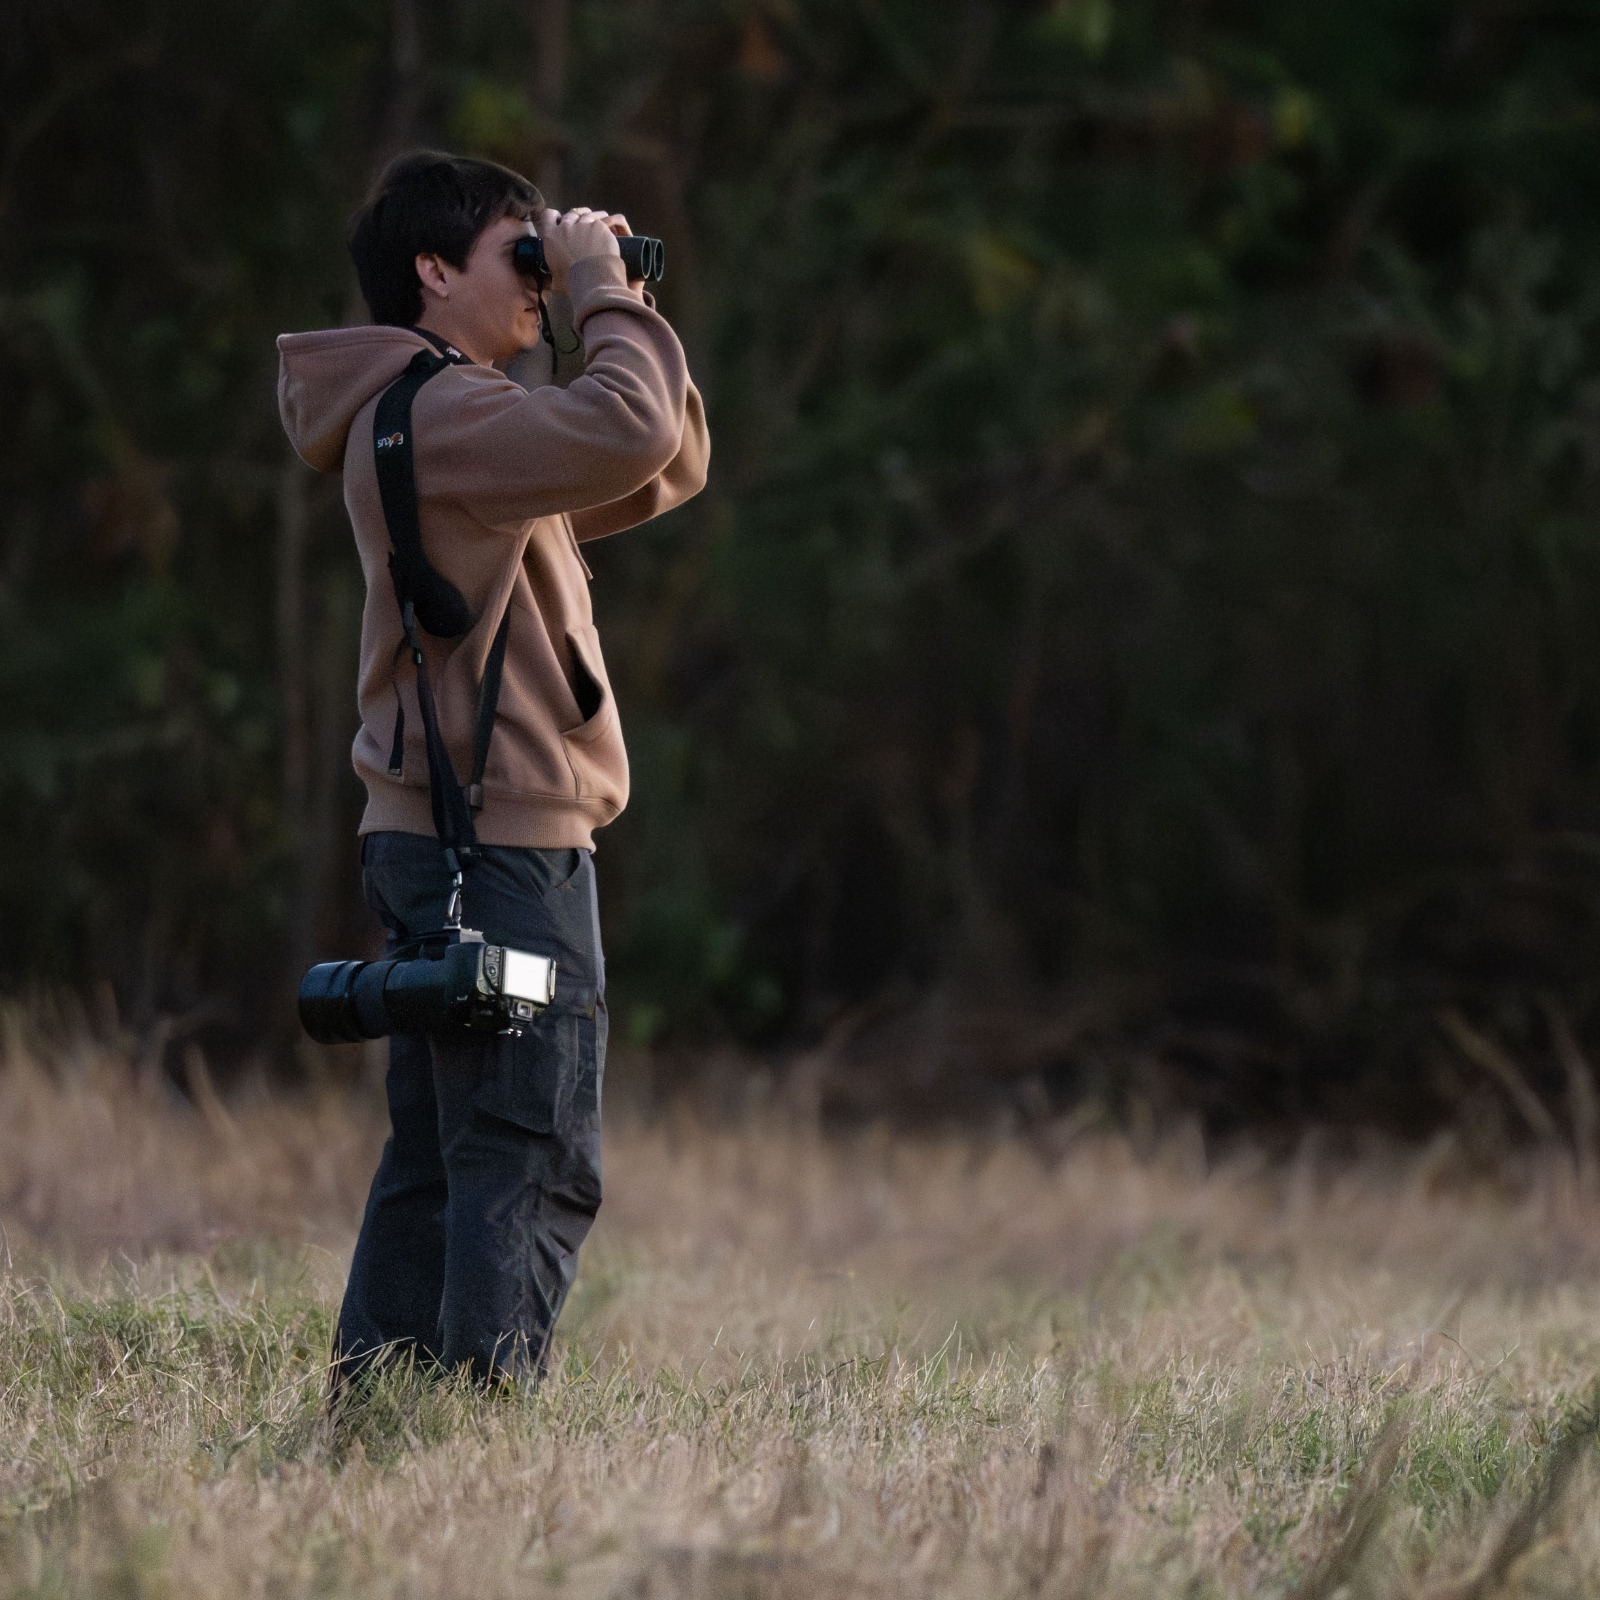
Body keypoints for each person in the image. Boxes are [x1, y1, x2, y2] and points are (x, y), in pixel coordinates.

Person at [276, 150, 708, 1386]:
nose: (539, 286)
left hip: (443, 833)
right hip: (503, 841)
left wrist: (619, 297)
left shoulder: (440, 411)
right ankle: (478, 1419)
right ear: (430, 270)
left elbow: (661, 458)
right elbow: (628, 426)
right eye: (517, 259)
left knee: (444, 1148)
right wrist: (599, 299)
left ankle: (387, 1410)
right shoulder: (453, 413)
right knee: (529, 1144)